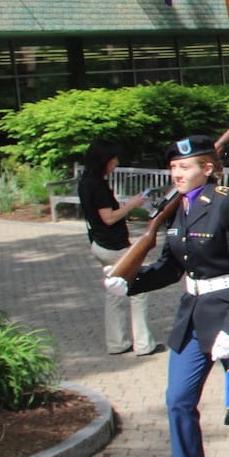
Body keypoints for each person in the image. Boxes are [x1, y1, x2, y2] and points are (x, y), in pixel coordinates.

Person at [103, 135, 229, 457]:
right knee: (178, 401)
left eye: (185, 167)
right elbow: (170, 265)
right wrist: (130, 282)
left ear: (208, 169)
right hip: (192, 316)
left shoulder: (228, 200)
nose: (176, 173)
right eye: (173, 168)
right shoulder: (177, 207)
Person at [80, 139, 158, 356]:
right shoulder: (97, 185)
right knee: (139, 288)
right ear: (104, 160)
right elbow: (108, 217)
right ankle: (143, 344)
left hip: (99, 244)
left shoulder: (86, 181)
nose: (116, 162)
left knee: (114, 291)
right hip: (114, 247)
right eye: (113, 158)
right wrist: (133, 204)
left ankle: (117, 342)